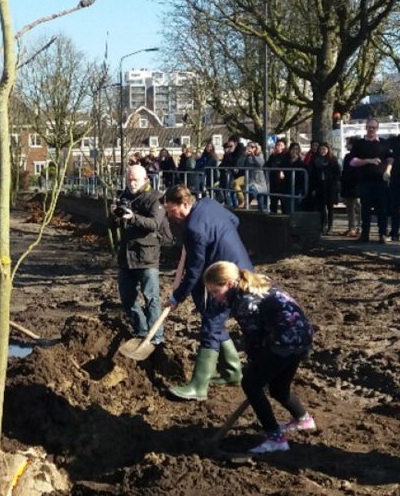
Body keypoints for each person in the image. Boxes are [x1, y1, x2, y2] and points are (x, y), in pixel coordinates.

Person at [203, 260, 315, 457]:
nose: (214, 297)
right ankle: (303, 420)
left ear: (229, 284)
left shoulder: (244, 303)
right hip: (302, 336)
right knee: (279, 389)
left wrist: (256, 365)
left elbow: (254, 338)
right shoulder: (258, 282)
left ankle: (275, 438)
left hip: (285, 341)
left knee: (251, 384)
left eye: (214, 291)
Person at [162, 184, 252, 399]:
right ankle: (232, 372)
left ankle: (198, 387)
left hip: (228, 279)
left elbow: (193, 272)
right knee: (212, 318)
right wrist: (219, 241)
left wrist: (177, 297)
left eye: (172, 211)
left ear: (185, 204)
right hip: (240, 265)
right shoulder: (208, 203)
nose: (171, 216)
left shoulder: (193, 229)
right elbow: (234, 221)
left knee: (211, 324)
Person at [114, 164, 169, 349]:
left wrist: (133, 218)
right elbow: (111, 224)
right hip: (126, 257)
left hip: (147, 256)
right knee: (127, 298)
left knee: (151, 297)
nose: (131, 183)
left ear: (145, 179)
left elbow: (154, 223)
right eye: (129, 179)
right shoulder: (123, 197)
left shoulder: (155, 199)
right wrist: (115, 214)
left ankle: (157, 336)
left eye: (135, 180)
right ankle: (141, 330)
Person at [349, 119, 393, 242]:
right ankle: (365, 234)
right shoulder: (359, 144)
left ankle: (382, 234)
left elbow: (390, 159)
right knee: (365, 208)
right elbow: (352, 162)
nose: (371, 129)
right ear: (366, 128)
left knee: (382, 208)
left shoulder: (384, 143)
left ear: (377, 129)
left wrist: (388, 171)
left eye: (373, 127)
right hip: (365, 181)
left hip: (381, 181)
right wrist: (368, 161)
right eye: (369, 127)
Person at [307, 143, 341, 234]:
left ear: (328, 150)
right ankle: (322, 225)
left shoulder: (332, 160)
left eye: (324, 149)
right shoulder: (315, 160)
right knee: (321, 208)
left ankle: (330, 226)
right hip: (319, 186)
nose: (322, 151)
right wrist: (313, 188)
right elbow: (312, 174)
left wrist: (334, 183)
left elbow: (337, 173)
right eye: (321, 149)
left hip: (330, 187)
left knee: (330, 207)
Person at [339, 137, 361, 237]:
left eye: (347, 144)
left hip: (356, 185)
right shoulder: (347, 156)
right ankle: (351, 227)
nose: (346, 146)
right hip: (348, 184)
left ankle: (359, 227)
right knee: (350, 208)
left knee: (358, 206)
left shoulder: (359, 156)